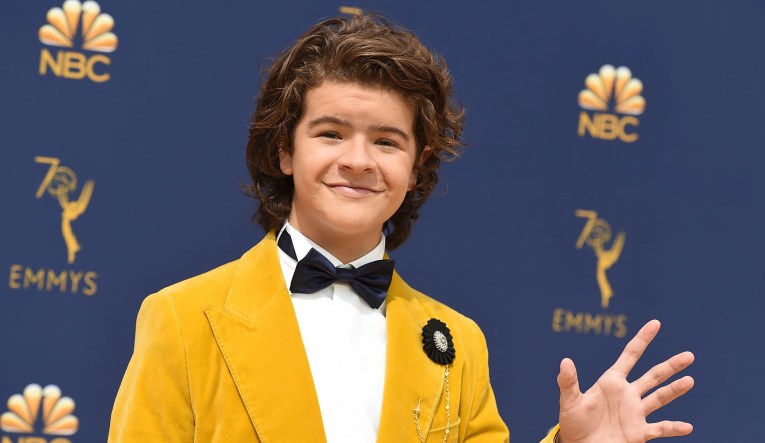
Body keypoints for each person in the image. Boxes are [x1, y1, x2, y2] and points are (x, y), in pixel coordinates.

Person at [108, 15, 694, 443]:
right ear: (285, 149)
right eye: (331, 133)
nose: (359, 161)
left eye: (387, 141)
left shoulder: (457, 342)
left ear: (416, 167)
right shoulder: (183, 320)